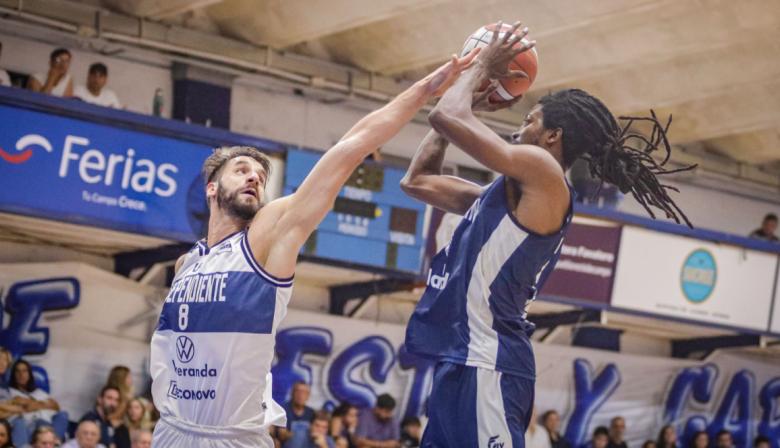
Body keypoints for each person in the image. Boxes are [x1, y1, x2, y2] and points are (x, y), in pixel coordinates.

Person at [148, 48, 478, 448]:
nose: (254, 177)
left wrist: (428, 88)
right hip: (170, 430)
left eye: (260, 174)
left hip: (230, 438)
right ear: (212, 188)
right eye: (241, 170)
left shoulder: (265, 237)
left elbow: (350, 147)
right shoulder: (188, 262)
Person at [401, 21, 693, 448]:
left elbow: (446, 114)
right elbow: (418, 180)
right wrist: (470, 105)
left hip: (491, 363)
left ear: (553, 136)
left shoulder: (545, 175)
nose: (519, 128)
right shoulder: (498, 197)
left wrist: (479, 66)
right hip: (463, 360)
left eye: (531, 119)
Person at [8, 360, 67, 442]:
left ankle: (55, 442)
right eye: (17, 371)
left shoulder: (39, 392)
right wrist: (44, 404)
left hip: (49, 424)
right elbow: (27, 407)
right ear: (13, 375)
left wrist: (35, 404)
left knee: (63, 415)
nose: (21, 374)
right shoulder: (10, 392)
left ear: (29, 374)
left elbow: (56, 406)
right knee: (41, 422)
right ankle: (52, 441)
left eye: (25, 371)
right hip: (30, 426)